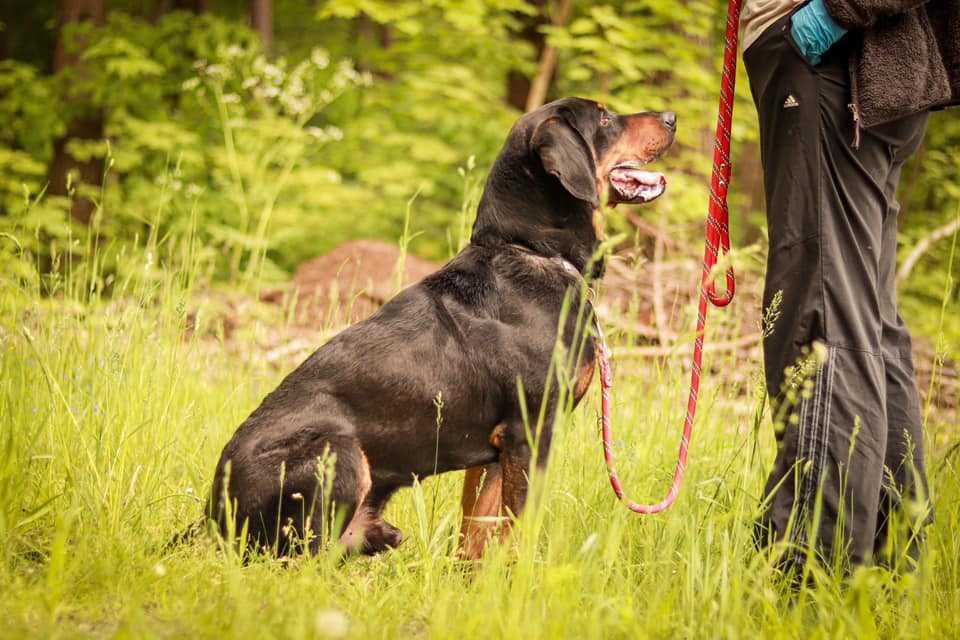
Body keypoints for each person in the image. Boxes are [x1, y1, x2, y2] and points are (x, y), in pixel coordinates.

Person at [741, 0, 959, 571]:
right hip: (870, 62)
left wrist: (838, 12)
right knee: (868, 324)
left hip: (837, 56)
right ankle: (883, 574)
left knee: (826, 318)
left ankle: (814, 580)